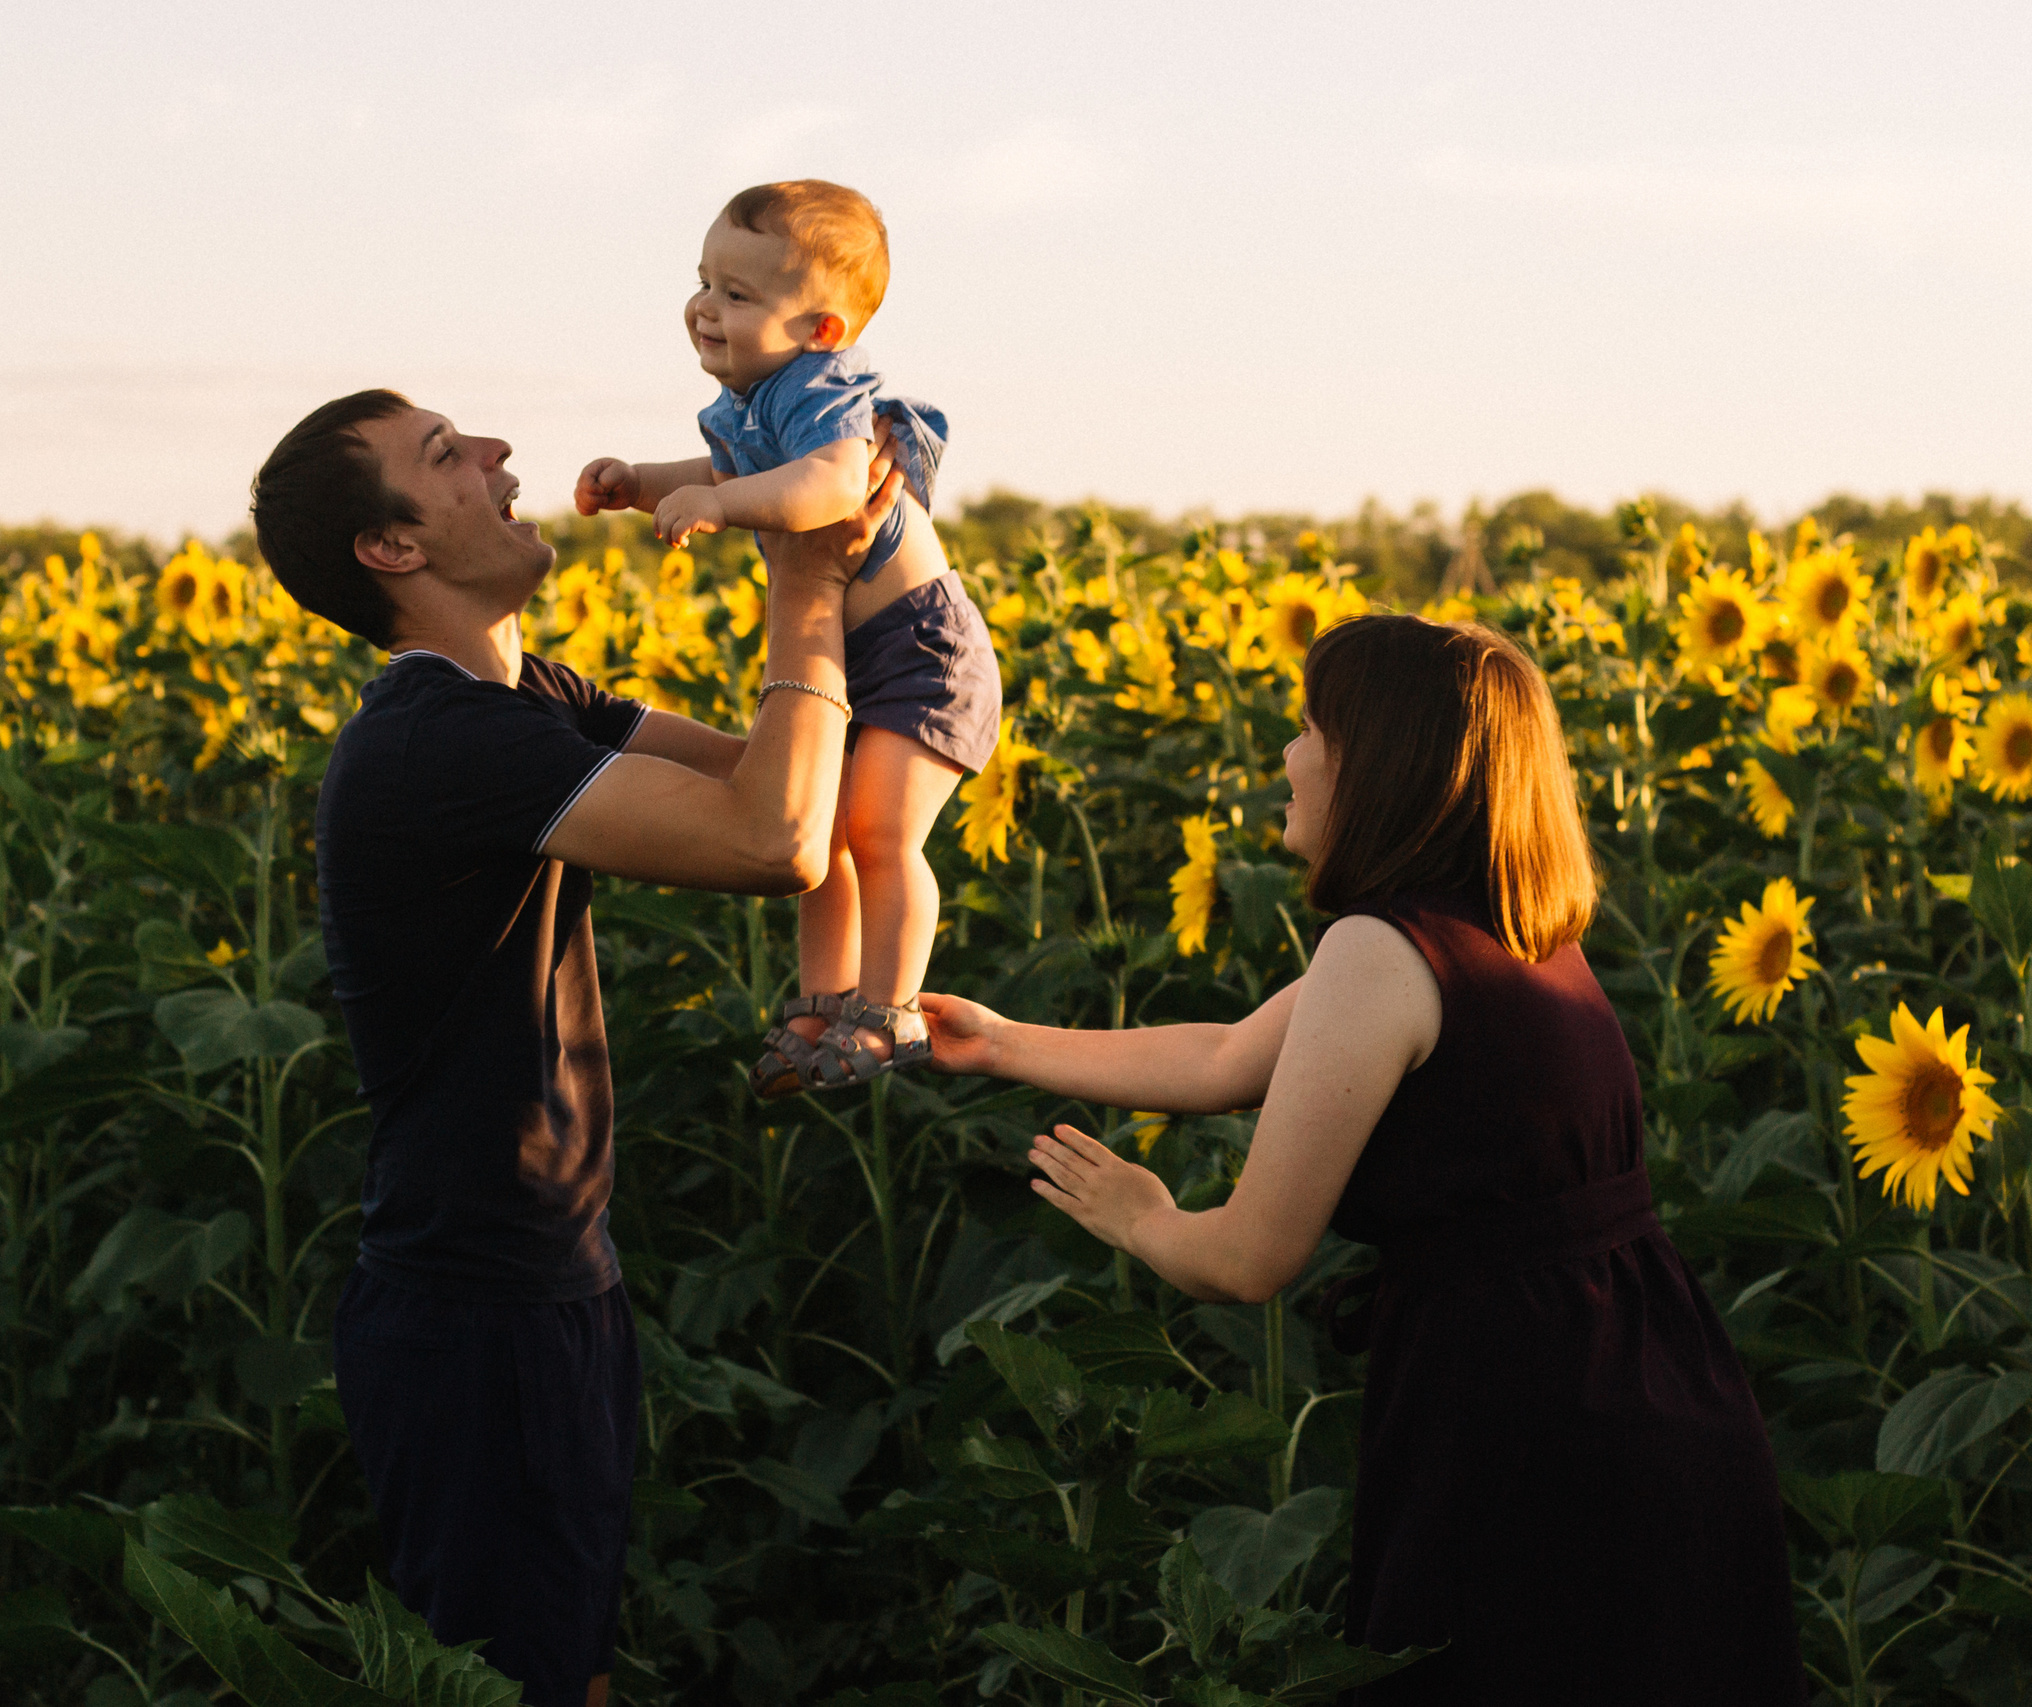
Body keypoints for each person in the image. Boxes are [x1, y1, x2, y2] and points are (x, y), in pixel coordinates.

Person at [916, 614, 1804, 1703]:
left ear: (1377, 761)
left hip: (1528, 1428)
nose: (1285, 756)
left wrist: (1136, 1212)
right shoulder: (1514, 933)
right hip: (1647, 1388)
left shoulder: (1378, 951)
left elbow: (1246, 1261)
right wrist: (999, 1041)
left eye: (1307, 727)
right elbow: (1227, 1057)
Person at [252, 389, 898, 1707]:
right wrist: (804, 572)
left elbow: (798, 806)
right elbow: (765, 843)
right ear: (394, 548)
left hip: (549, 1279)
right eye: (445, 457)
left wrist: (894, 621)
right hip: (473, 1306)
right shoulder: (436, 742)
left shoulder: (528, 699)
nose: (497, 454)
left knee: (566, 1667)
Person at [574, 179, 1001, 1096]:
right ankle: (824, 999)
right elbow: (721, 467)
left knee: (881, 831)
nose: (705, 306)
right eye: (703, 281)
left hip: (920, 650)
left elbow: (836, 488)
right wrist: (641, 479)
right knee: (820, 836)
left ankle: (889, 1012)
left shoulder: (823, 394)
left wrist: (722, 506)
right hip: (856, 648)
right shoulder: (751, 403)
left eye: (738, 293)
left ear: (822, 331)